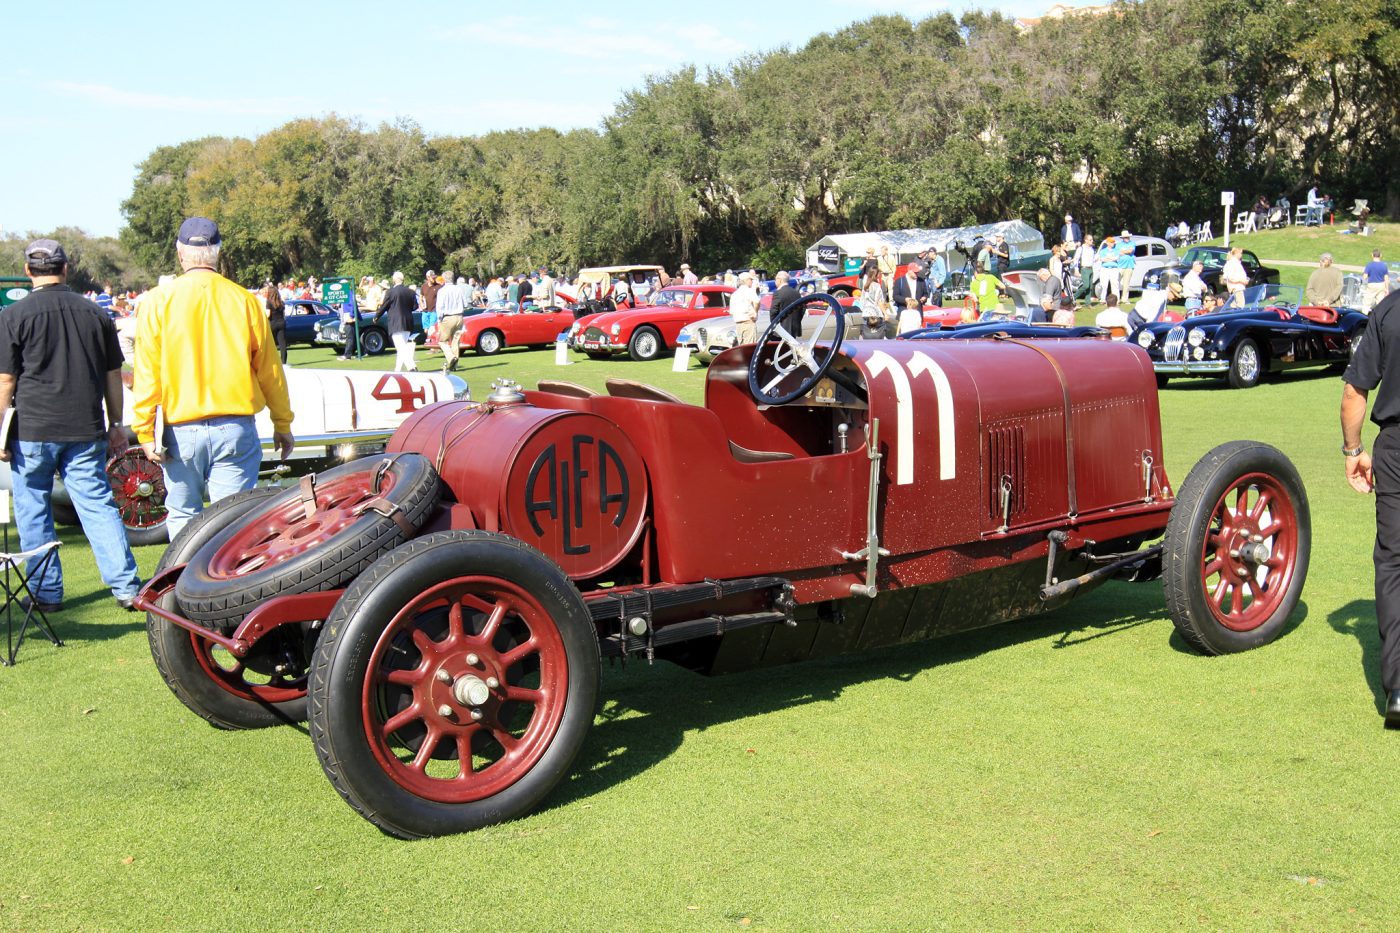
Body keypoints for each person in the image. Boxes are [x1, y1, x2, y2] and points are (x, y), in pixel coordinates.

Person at [0, 239, 142, 612]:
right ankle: (127, 587)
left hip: (33, 429)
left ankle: (46, 593)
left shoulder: (13, 316)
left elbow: (5, 381)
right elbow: (113, 375)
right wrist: (116, 422)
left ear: (28, 271)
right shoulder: (95, 313)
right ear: (65, 269)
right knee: (97, 506)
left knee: (33, 510)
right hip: (85, 426)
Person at [132, 217, 294, 540]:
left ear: (180, 253)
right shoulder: (244, 300)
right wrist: (282, 423)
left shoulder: (157, 302)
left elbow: (147, 373)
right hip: (234, 426)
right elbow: (269, 370)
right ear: (217, 252)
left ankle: (183, 573)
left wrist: (144, 430)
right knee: (233, 525)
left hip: (180, 429)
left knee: (183, 517)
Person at [1341, 287, 1400, 726]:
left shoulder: (1388, 309)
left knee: (1394, 561)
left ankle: (1399, 688)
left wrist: (1353, 449)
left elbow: (1354, 391)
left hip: (1395, 447)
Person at [379, 271, 418, 372]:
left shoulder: (390, 292)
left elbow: (384, 306)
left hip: (395, 322)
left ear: (394, 279)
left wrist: (377, 316)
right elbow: (415, 306)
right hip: (408, 321)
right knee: (401, 347)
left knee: (401, 347)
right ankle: (397, 370)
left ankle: (411, 366)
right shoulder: (410, 292)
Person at [435, 269, 466, 373]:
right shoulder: (459, 289)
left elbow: (439, 307)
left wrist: (439, 319)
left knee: (442, 341)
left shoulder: (442, 291)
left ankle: (451, 357)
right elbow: (465, 303)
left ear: (444, 279)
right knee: (456, 341)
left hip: (448, 317)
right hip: (459, 316)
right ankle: (454, 365)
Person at [730, 272, 760, 344]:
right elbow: (757, 301)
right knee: (750, 346)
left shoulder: (735, 294)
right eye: (751, 279)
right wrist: (755, 312)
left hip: (738, 324)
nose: (752, 281)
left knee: (741, 346)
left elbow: (731, 312)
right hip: (748, 322)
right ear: (746, 280)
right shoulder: (749, 291)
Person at [770, 271, 802, 338]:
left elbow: (773, 311)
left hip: (782, 329)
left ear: (780, 280)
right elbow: (803, 308)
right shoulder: (796, 293)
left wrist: (774, 324)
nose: (775, 282)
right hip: (794, 327)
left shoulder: (778, 293)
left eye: (775, 280)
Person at [264, 284, 287, 364]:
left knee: (271, 343)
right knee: (282, 343)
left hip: (273, 323)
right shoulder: (281, 302)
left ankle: (272, 360)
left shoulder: (269, 302)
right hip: (281, 322)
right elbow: (284, 314)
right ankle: (283, 361)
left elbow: (268, 314)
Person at [1117, 231, 1137, 299]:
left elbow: (1130, 251)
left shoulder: (1132, 243)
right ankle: (1117, 298)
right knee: (1116, 282)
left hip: (1129, 266)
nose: (1127, 238)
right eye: (1125, 237)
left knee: (1126, 283)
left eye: (1128, 237)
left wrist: (1122, 251)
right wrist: (1126, 251)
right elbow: (1117, 252)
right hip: (1120, 265)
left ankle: (1124, 298)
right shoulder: (1118, 244)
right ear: (1123, 238)